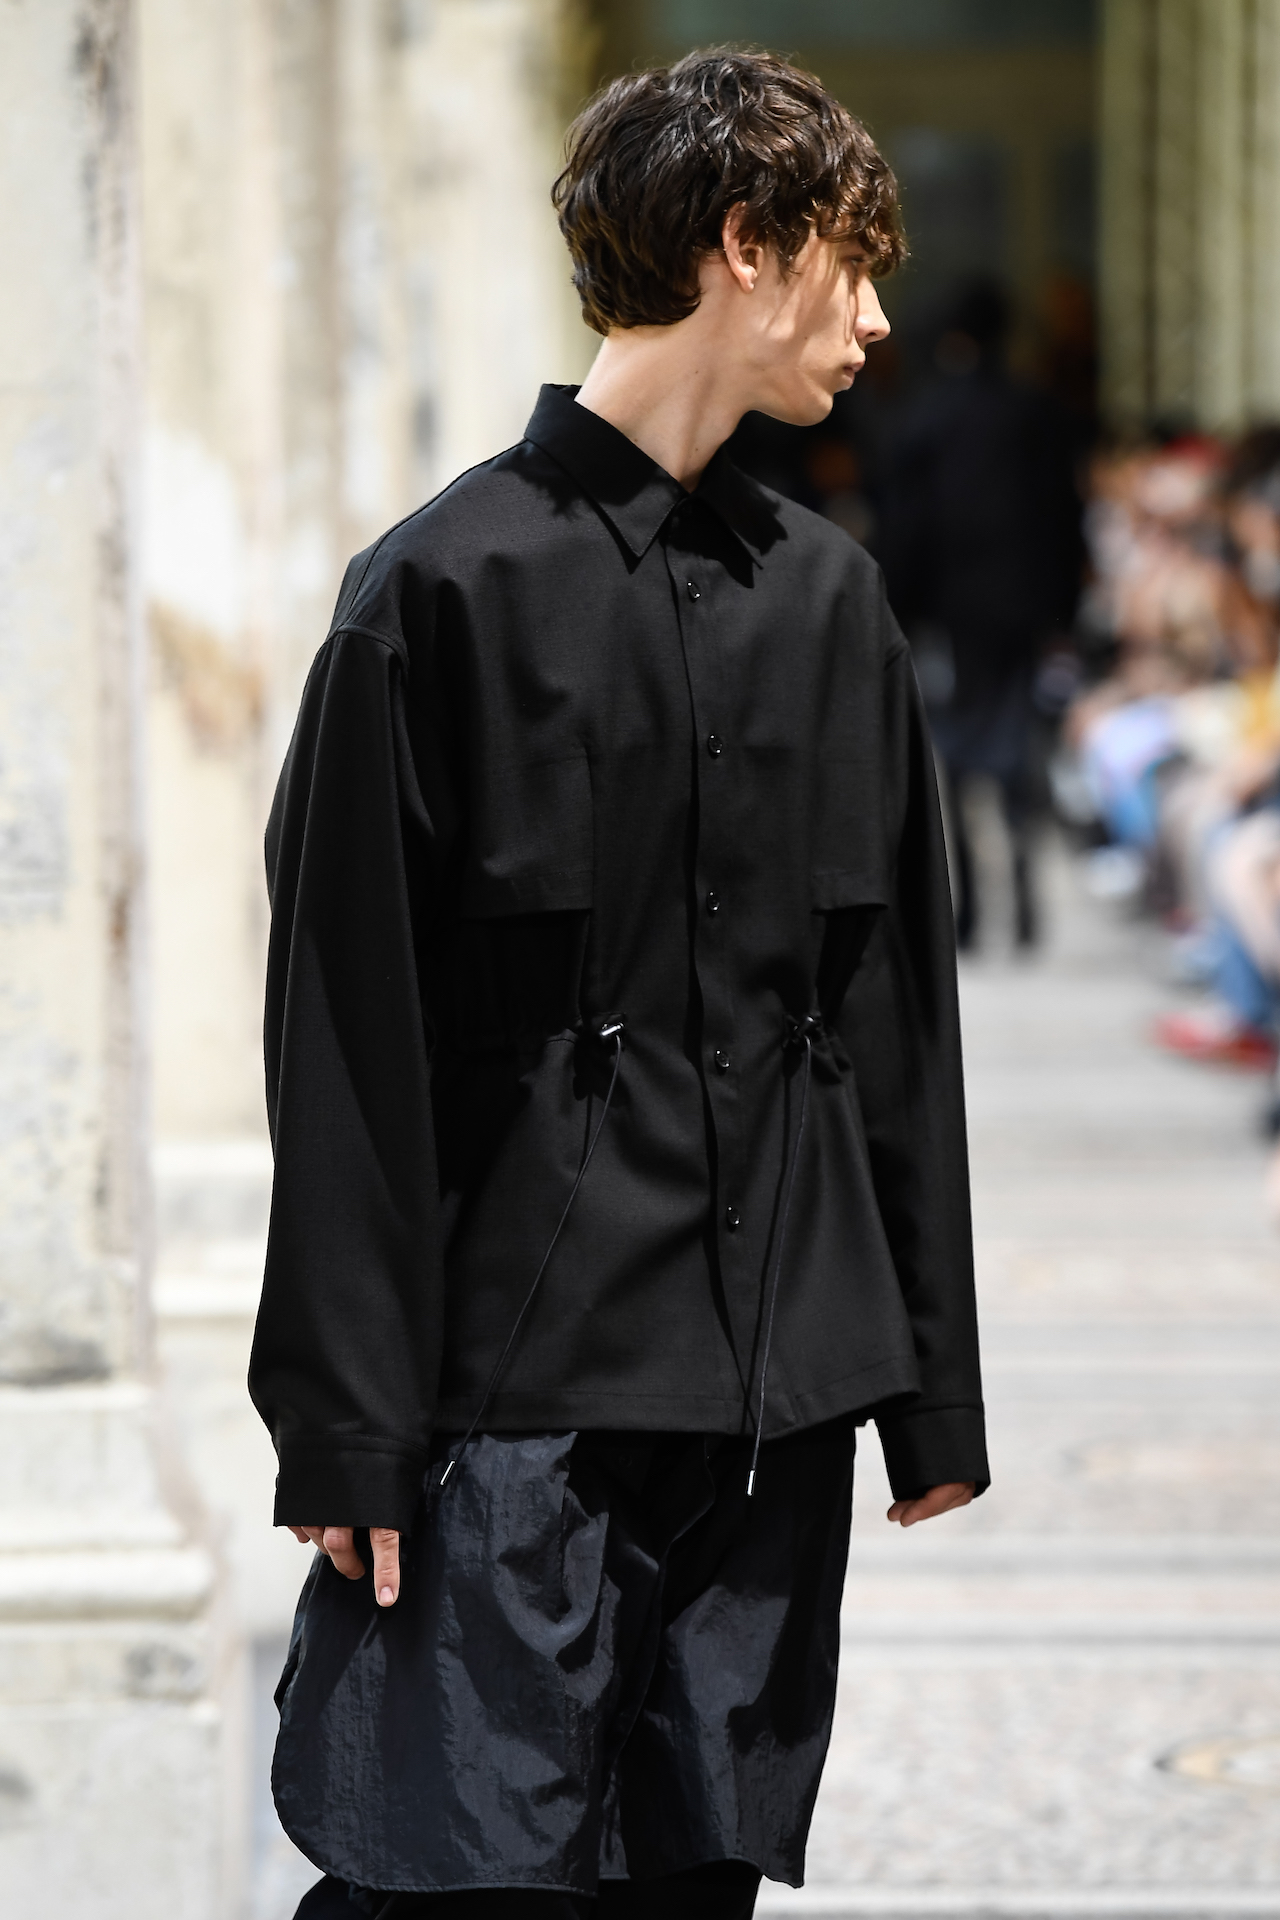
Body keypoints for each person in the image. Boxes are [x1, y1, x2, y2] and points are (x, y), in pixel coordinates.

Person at [249, 49, 988, 1920]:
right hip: (518, 1405)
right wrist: (344, 1426)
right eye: (852, 263)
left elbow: (893, 1024)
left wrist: (932, 1394)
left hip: (764, 1415)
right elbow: (346, 1041)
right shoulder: (435, 595)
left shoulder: (833, 604)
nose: (876, 321)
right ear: (746, 244)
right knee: (452, 1880)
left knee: (692, 1887)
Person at [879, 276, 1082, 949]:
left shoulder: (924, 418)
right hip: (1024, 612)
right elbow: (1066, 518)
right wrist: (1065, 612)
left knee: (956, 752)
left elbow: (905, 529)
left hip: (949, 616)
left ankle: (966, 908)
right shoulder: (1038, 411)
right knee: (1019, 744)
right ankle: (1023, 898)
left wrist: (898, 611)